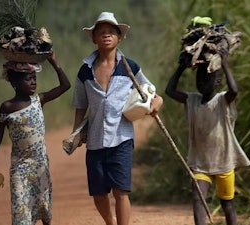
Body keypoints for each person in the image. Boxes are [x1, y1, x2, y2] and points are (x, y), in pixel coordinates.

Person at [71, 12, 163, 225]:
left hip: (122, 138)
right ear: (94, 38)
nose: (106, 35)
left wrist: (157, 102)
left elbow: (152, 93)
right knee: (99, 193)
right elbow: (80, 104)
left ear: (119, 37)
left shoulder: (129, 67)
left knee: (121, 190)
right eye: (101, 32)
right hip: (94, 141)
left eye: (111, 32)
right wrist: (75, 133)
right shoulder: (85, 71)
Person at [165, 48, 250, 225]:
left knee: (227, 204)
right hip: (200, 162)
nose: (202, 82)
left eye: (207, 78)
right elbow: (170, 91)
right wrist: (181, 67)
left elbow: (234, 90)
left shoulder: (222, 100)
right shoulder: (192, 100)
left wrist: (225, 64)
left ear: (218, 82)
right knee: (198, 198)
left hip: (224, 161)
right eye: (199, 79)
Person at [0, 51, 71, 225]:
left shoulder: (39, 100)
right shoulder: (7, 107)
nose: (33, 81)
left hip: (40, 165)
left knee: (44, 207)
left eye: (34, 77)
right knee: (20, 210)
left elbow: (65, 85)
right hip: (20, 167)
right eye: (27, 78)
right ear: (15, 82)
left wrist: (54, 62)